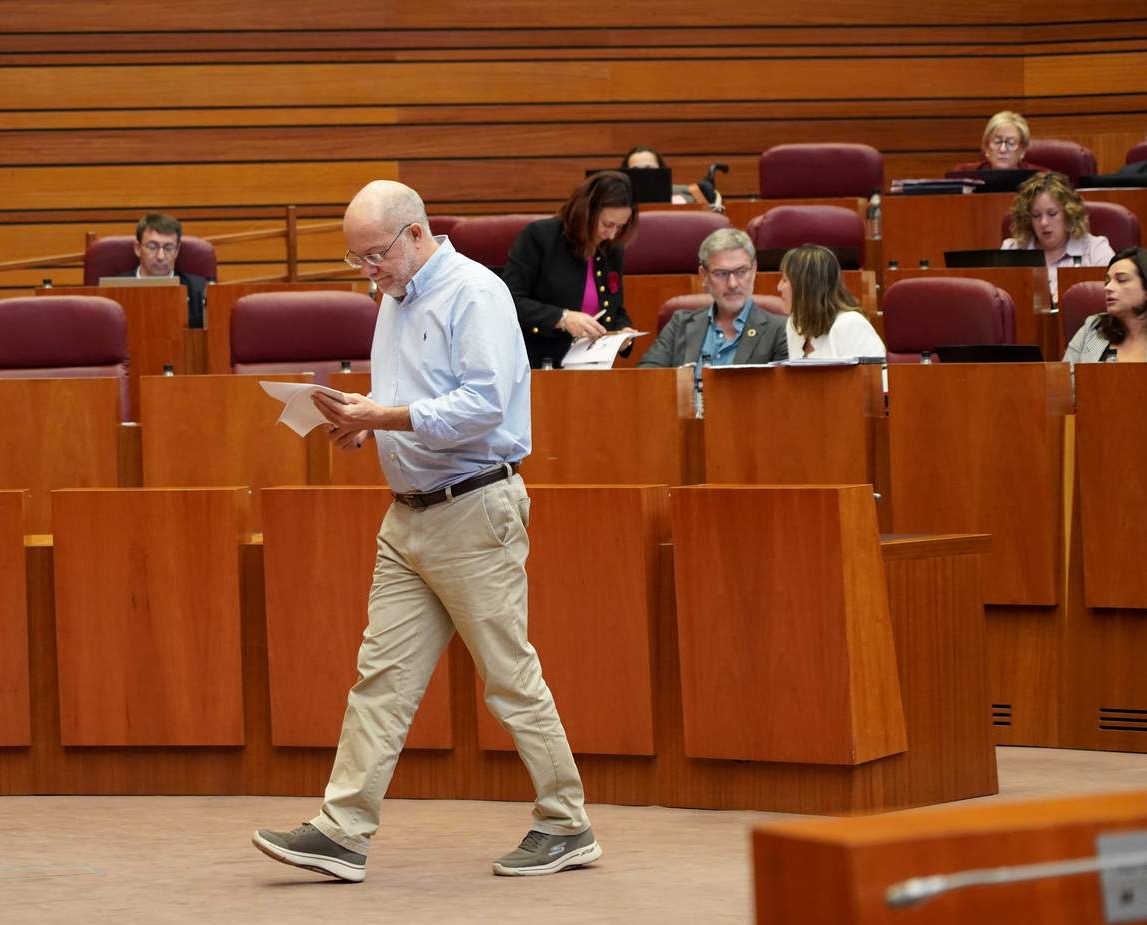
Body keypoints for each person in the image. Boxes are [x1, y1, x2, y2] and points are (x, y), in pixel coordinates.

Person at [253, 180, 599, 882]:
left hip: (474, 509)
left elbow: (482, 404)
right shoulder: (395, 296)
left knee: (508, 677)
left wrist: (380, 419)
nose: (369, 272)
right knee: (380, 677)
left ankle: (567, 825)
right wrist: (359, 428)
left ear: (416, 234)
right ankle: (342, 829)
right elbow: (411, 401)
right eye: (357, 261)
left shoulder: (476, 293)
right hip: (408, 513)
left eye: (375, 255)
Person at [502, 171, 638, 369]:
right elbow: (509, 300)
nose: (611, 234)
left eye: (620, 227)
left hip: (593, 365)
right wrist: (562, 318)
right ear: (587, 211)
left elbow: (615, 310)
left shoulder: (612, 248)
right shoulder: (540, 236)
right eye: (608, 224)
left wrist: (623, 332)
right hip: (540, 364)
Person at [636, 228, 788, 368]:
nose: (732, 284)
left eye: (741, 271)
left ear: (754, 269)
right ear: (704, 275)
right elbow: (648, 377)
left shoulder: (780, 330)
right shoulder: (680, 324)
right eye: (721, 273)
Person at [1001, 171, 1114, 299]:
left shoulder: (1096, 249)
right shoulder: (1012, 250)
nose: (1043, 222)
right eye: (1036, 215)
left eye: (1052, 213)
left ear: (1068, 213)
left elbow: (1113, 297)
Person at [777, 244, 885, 358]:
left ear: (807, 287)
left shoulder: (850, 324)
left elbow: (872, 375)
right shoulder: (795, 323)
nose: (779, 287)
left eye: (785, 280)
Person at [118, 211, 208, 328]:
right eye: (152, 247)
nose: (161, 256)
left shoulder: (199, 290)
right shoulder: (114, 290)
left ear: (177, 250)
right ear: (137, 248)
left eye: (168, 248)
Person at [1064, 246, 1147, 363]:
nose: (1108, 288)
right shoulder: (1093, 328)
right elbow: (1066, 377)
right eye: (1107, 281)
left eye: (1121, 280)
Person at [952, 110, 1044, 172]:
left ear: (1022, 150)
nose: (1003, 149)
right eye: (997, 142)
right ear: (987, 147)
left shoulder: (1041, 178)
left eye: (1011, 143)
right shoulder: (965, 174)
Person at [620, 146, 700, 205]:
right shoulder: (616, 200)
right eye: (635, 170)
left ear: (662, 170)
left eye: (649, 168)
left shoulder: (684, 193)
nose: (643, 174)